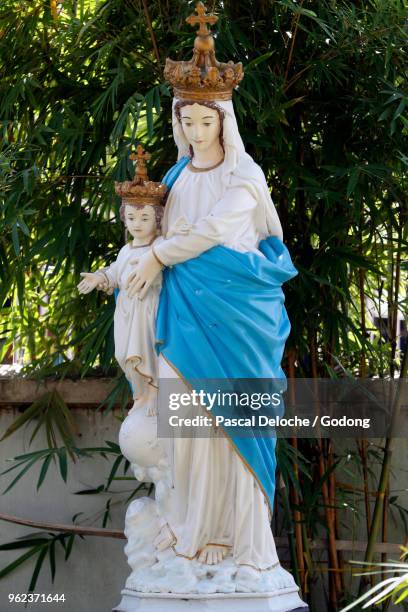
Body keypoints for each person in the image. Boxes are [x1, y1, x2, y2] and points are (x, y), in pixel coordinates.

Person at [121, 4, 305, 606]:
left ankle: (248, 549)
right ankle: (193, 538)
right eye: (189, 121)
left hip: (239, 325)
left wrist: (160, 257)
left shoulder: (243, 178)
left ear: (224, 120)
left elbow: (212, 237)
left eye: (207, 120)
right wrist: (138, 263)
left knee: (238, 432)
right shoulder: (173, 180)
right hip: (186, 327)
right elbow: (150, 236)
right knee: (191, 434)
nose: (198, 131)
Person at [77, 147, 166, 415]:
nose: (137, 223)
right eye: (131, 218)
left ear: (157, 219)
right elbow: (116, 272)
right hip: (126, 312)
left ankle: (154, 395)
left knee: (148, 353)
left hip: (148, 310)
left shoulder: (161, 247)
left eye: (144, 217)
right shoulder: (126, 250)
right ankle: (140, 395)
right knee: (125, 355)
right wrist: (99, 277)